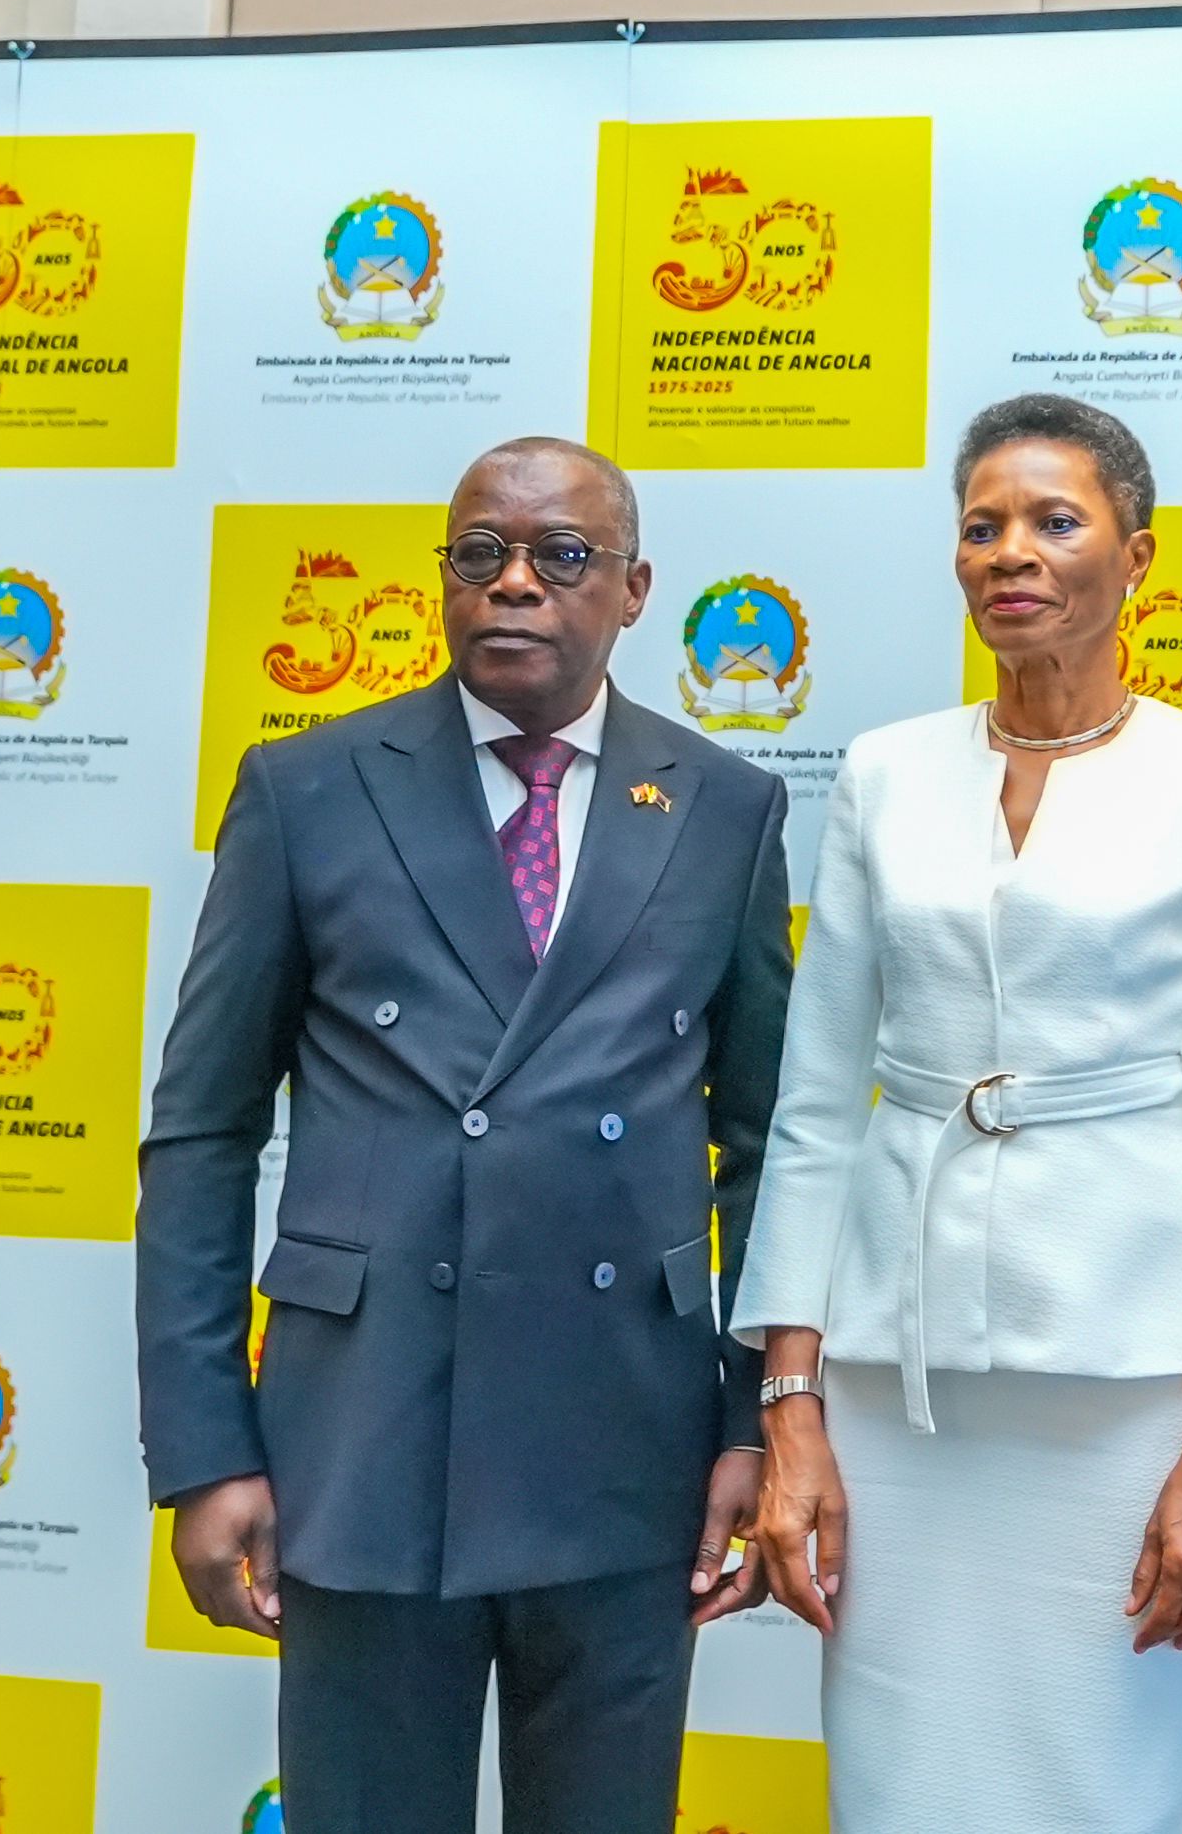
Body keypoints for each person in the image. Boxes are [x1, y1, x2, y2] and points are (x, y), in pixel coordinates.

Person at [135, 437, 792, 1834]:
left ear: (634, 590)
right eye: (480, 552)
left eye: (563, 555)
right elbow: (200, 1132)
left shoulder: (726, 807)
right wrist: (204, 1449)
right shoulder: (309, 787)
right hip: (365, 1440)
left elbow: (768, 1146)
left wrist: (753, 1420)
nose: (515, 583)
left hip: (628, 1445)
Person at [734, 393, 1182, 1834]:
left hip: (1130, 1379)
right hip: (892, 1375)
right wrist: (792, 1407)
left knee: (1103, 1772)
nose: (1013, 552)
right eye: (983, 525)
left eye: (1057, 521)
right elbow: (814, 1110)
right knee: (898, 1775)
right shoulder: (882, 771)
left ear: (1138, 556)